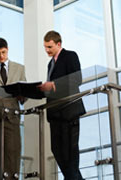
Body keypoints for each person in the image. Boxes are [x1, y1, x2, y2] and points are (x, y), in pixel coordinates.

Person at [38, 30, 85, 180]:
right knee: (57, 150)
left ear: (59, 44)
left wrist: (53, 85)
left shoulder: (70, 56)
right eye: (45, 47)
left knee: (70, 155)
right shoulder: (50, 64)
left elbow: (77, 79)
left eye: (50, 47)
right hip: (55, 113)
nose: (47, 50)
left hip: (69, 112)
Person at [0, 37, 26, 180]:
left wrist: (22, 95)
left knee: (13, 152)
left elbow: (24, 94)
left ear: (7, 49)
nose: (1, 56)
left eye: (3, 52)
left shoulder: (20, 68)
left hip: (12, 115)